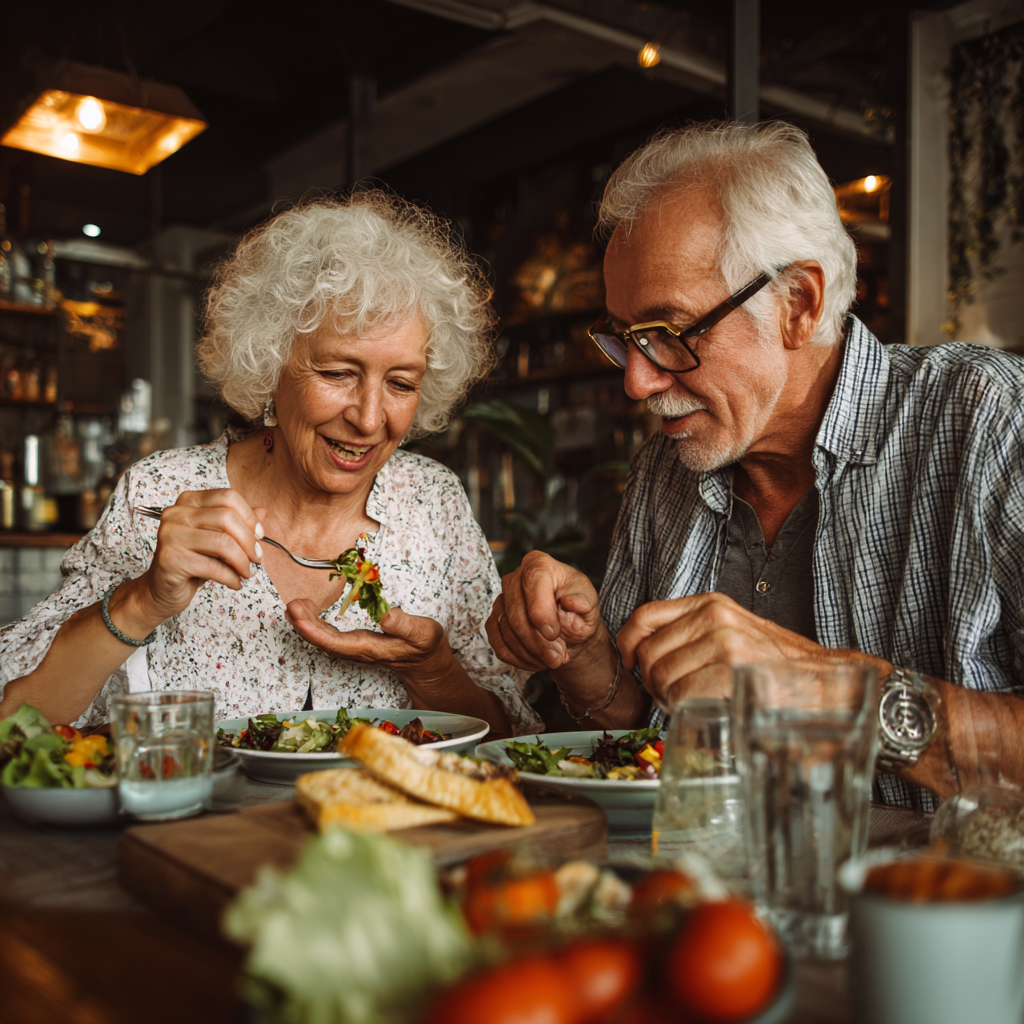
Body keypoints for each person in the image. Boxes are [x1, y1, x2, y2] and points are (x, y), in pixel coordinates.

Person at [487, 122, 1024, 809]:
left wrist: (835, 692)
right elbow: (646, 737)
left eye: (669, 334)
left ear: (798, 304)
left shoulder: (989, 421)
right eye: (626, 341)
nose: (637, 385)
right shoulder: (665, 469)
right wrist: (583, 652)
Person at [0, 192, 540, 738]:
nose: (370, 417)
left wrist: (432, 670)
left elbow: (509, 739)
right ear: (268, 362)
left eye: (400, 384)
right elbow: (19, 719)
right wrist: (144, 599)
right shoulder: (160, 491)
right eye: (337, 374)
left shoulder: (434, 504)